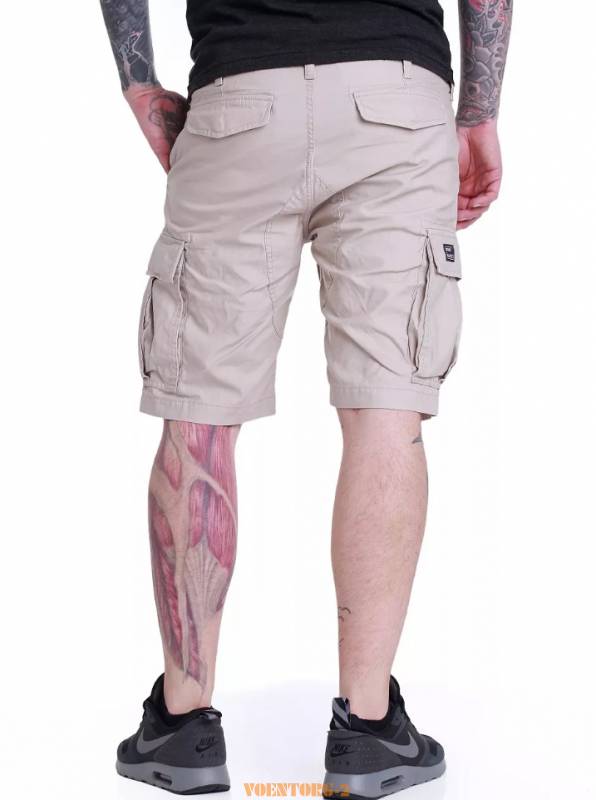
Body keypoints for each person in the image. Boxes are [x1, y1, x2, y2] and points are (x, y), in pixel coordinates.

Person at [100, 1, 512, 796]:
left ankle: (182, 727)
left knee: (200, 413)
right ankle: (367, 732)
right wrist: (479, 110)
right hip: (396, 100)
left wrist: (139, 82)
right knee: (387, 407)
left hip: (240, 95)